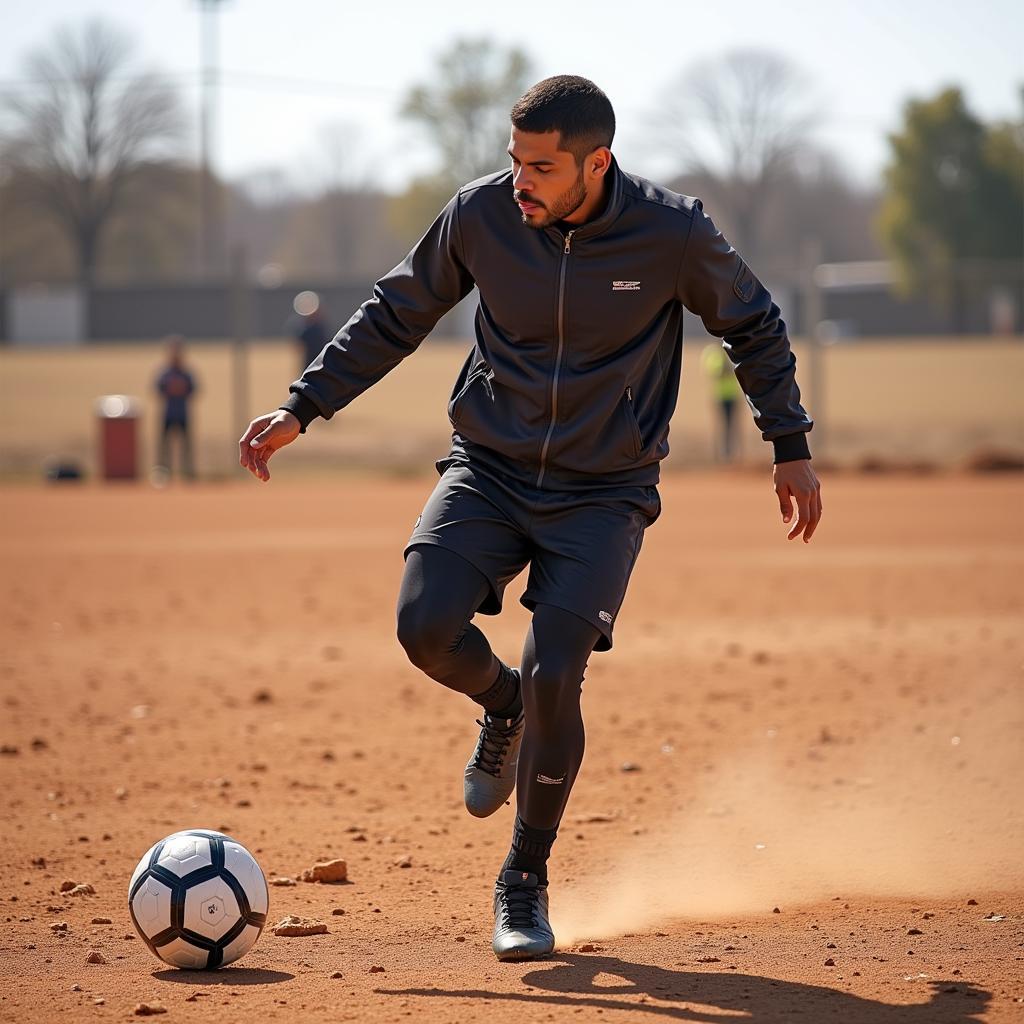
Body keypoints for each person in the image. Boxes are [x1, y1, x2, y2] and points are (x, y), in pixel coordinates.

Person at [239, 76, 822, 962]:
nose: (523, 182)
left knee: (559, 671)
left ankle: (523, 880)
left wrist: (789, 441)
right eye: (516, 161)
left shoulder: (673, 233)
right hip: (491, 467)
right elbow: (399, 310)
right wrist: (303, 404)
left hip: (603, 490)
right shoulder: (479, 216)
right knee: (423, 626)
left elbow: (756, 324)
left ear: (598, 163)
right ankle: (501, 707)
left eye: (543, 167)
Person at [155, 335, 197, 480]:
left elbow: (194, 390)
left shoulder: (186, 374)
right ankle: (163, 473)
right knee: (165, 446)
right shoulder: (165, 373)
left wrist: (181, 390)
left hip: (182, 413)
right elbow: (158, 389)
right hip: (168, 414)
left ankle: (188, 473)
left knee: (186, 446)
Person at [700, 340, 743, 462]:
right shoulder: (714, 353)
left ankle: (733, 453)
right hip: (720, 396)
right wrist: (724, 368)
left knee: (733, 425)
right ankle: (720, 453)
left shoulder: (733, 351)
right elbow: (712, 371)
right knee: (721, 426)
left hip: (733, 395)